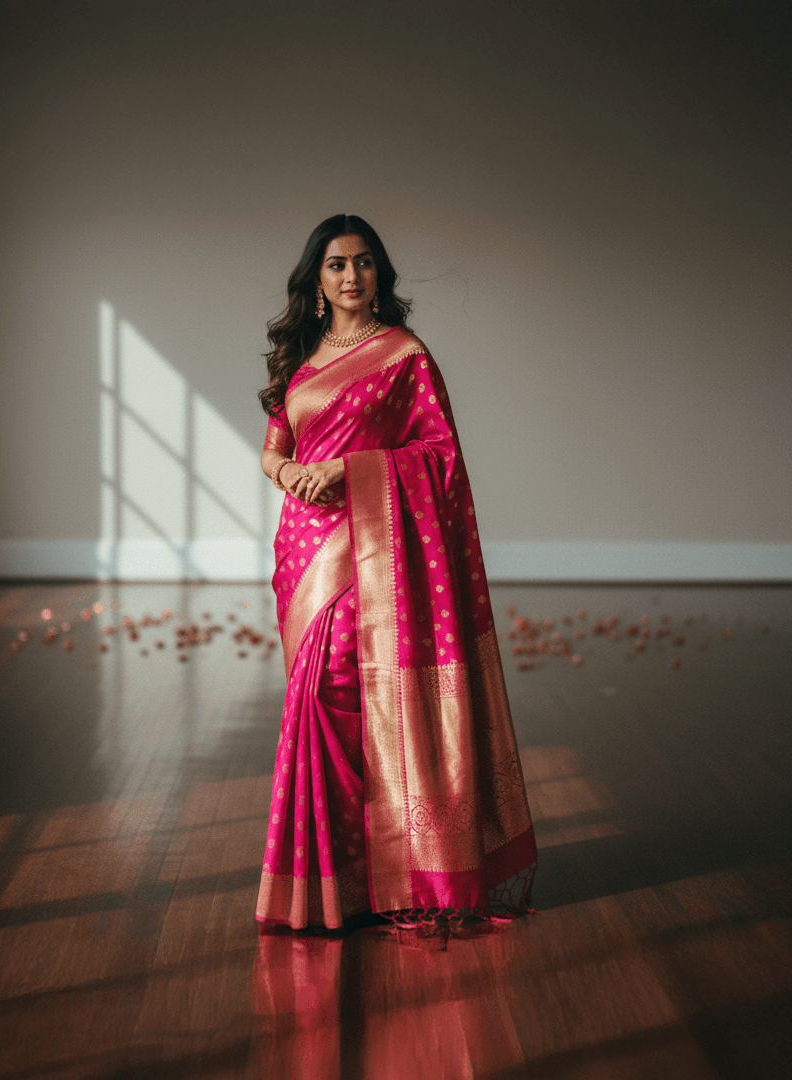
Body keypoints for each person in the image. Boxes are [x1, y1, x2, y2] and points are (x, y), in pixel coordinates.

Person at [255, 215, 537, 930]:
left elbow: (439, 456)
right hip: (302, 550)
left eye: (365, 263)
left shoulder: (404, 354)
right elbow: (273, 448)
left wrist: (350, 472)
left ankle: (385, 872)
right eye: (337, 266)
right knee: (312, 703)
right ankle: (337, 880)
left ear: (381, 274)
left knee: (342, 693)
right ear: (316, 282)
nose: (352, 277)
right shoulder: (299, 359)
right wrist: (290, 471)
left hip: (369, 548)